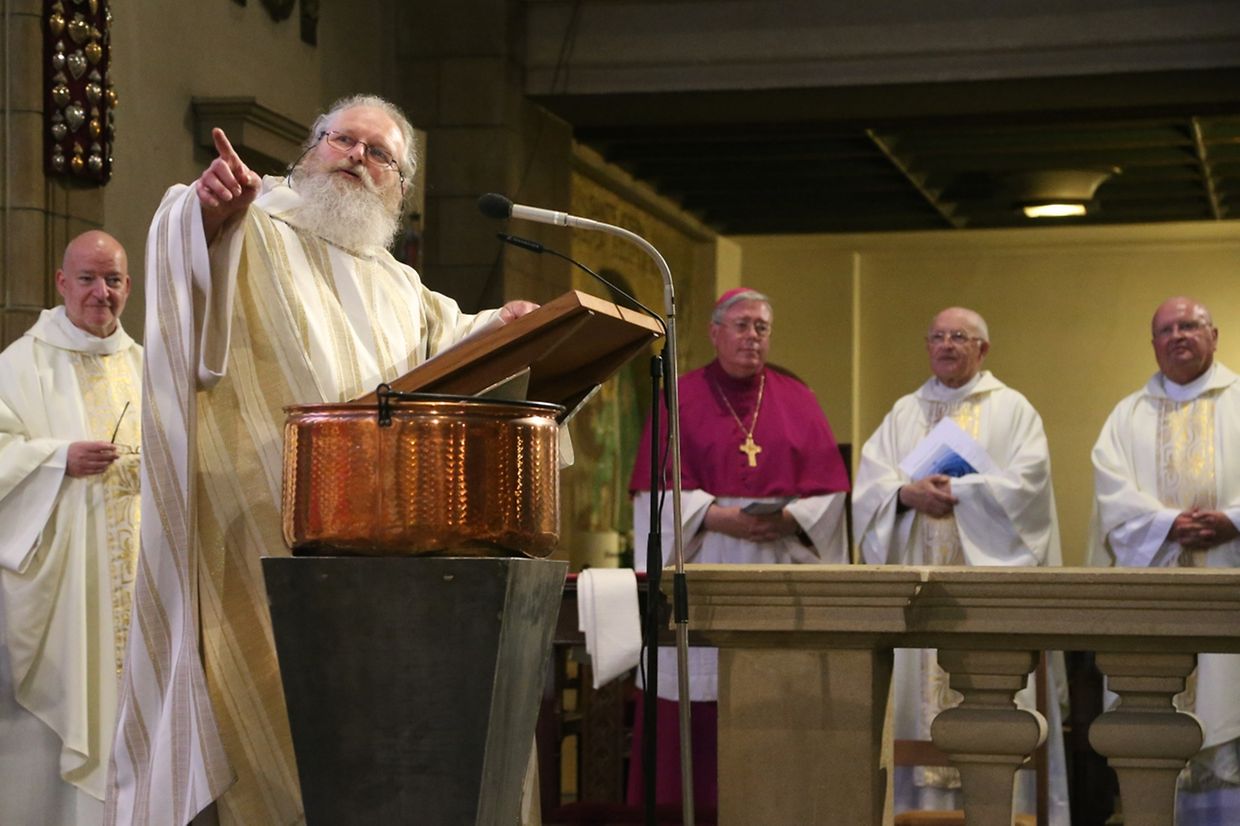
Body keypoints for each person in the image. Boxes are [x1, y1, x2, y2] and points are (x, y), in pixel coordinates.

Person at [106, 94, 539, 826]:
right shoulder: (259, 223)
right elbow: (185, 237)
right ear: (311, 149)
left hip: (382, 543)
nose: (357, 158)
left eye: (380, 155)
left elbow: (450, 346)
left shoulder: (399, 284)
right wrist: (208, 214)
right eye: (343, 141)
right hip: (262, 517)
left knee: (363, 729)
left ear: (400, 189)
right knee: (267, 707)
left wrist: (504, 326)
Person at [626, 287, 852, 812]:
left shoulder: (798, 397)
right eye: (742, 325)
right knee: (696, 707)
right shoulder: (679, 394)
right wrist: (718, 516)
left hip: (778, 567)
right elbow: (651, 495)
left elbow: (832, 496)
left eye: (762, 328)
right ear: (715, 332)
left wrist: (789, 518)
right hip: (703, 566)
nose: (753, 336)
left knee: (777, 704)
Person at [852, 306, 1069, 824]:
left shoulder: (1013, 410)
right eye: (938, 337)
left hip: (988, 602)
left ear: (983, 349)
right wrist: (904, 495)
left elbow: (1030, 491)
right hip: (918, 605)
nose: (947, 345)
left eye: (959, 337)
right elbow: (868, 490)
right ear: (927, 346)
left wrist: (961, 493)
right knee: (913, 705)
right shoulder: (904, 413)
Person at [0, 231, 140, 826]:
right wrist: (58, 460)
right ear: (61, 283)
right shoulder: (20, 363)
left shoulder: (147, 365)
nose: (100, 293)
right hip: (65, 590)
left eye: (112, 280)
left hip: (139, 583)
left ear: (128, 287)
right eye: (86, 279)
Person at [1091, 296, 1240, 824]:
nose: (1178, 336)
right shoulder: (1128, 415)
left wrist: (1234, 521)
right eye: (1166, 329)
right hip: (1154, 596)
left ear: (1214, 336)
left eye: (1189, 325)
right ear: (1153, 344)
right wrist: (1167, 525)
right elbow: (1112, 497)